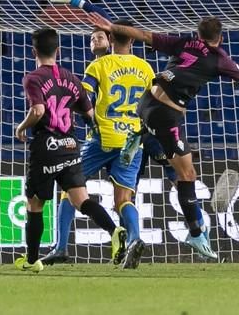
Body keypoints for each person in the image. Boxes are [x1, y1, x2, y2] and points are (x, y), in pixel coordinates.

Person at [47, 0, 239, 260]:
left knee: (164, 174)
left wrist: (79, 2)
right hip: (164, 118)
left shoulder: (181, 43)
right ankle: (196, 232)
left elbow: (129, 32)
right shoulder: (201, 60)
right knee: (183, 175)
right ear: (220, 38)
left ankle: (141, 143)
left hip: (143, 111)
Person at [41, 21, 155, 270]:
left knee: (68, 188)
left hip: (102, 138)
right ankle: (135, 239)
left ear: (111, 40)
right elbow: (153, 105)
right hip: (132, 141)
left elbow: (81, 96)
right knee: (124, 199)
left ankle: (60, 248)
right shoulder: (146, 68)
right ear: (133, 41)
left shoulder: (100, 65)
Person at [14, 28, 126, 273]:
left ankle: (32, 260)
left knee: (35, 204)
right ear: (58, 50)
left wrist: (21, 128)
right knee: (81, 200)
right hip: (71, 145)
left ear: (33, 51)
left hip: (47, 146)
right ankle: (114, 230)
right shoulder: (72, 78)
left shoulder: (33, 78)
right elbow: (89, 114)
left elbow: (38, 111)